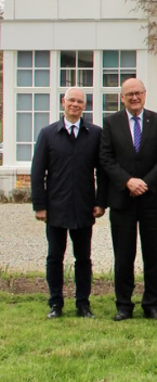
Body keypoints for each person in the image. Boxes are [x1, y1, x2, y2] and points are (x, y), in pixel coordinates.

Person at [99, 78, 157, 321]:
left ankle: (152, 305)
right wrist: (127, 181)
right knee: (123, 255)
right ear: (122, 98)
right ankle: (123, 305)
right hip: (123, 199)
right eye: (129, 94)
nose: (134, 97)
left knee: (153, 254)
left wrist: (145, 182)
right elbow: (106, 158)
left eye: (138, 93)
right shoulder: (111, 123)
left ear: (145, 94)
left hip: (153, 199)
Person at [31, 87, 108, 319]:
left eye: (80, 101)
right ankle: (55, 303)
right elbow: (38, 172)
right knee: (55, 257)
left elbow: (102, 171)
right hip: (56, 208)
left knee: (83, 258)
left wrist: (100, 202)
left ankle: (83, 304)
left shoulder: (94, 134)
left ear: (85, 105)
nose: (75, 104)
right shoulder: (48, 134)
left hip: (84, 207)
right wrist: (40, 205)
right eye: (71, 100)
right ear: (63, 102)